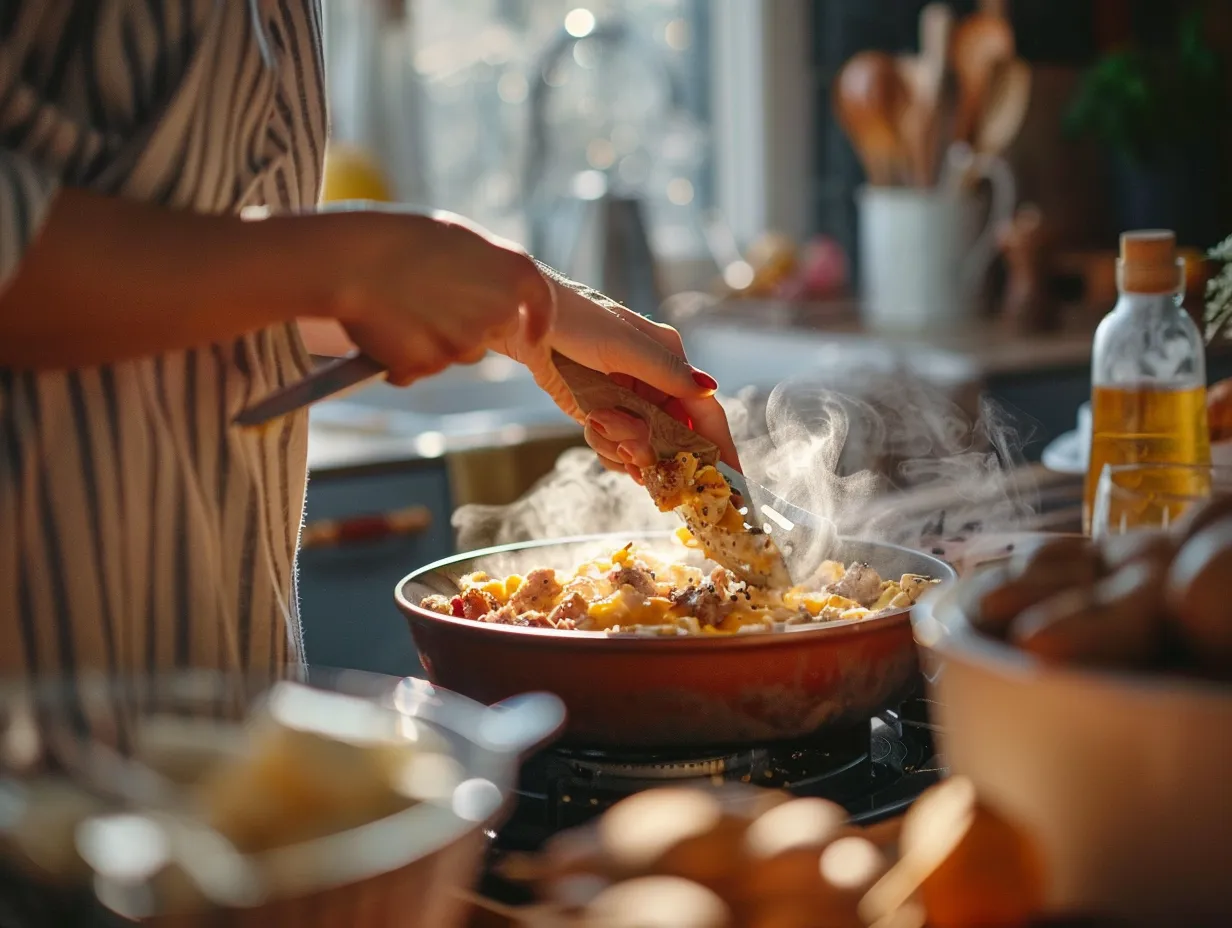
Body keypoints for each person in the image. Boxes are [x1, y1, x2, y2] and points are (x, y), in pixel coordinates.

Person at [0, 0, 739, 678]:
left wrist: (530, 311)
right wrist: (349, 264)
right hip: (39, 670)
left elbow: (209, 269)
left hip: (223, 667)